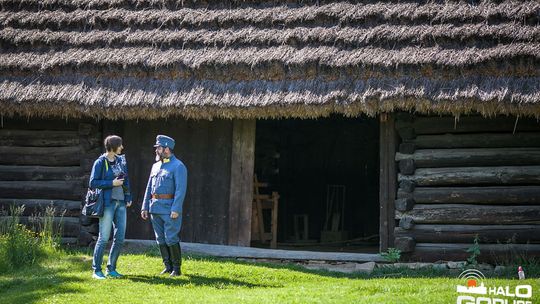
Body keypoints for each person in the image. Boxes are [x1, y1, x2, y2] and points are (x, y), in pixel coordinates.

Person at [141, 135, 188, 277]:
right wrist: (145, 206)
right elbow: (149, 187)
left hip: (169, 209)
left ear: (167, 149)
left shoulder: (178, 166)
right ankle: (167, 266)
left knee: (171, 238)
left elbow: (180, 190)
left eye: (159, 148)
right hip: (155, 208)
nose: (156, 150)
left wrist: (176, 209)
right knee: (160, 239)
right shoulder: (155, 166)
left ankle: (176, 268)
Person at [89, 135, 132, 279]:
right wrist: (111, 183)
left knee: (119, 238)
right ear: (113, 146)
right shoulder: (100, 162)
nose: (122, 147)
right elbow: (93, 183)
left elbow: (126, 180)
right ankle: (96, 270)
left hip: (121, 204)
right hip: (107, 204)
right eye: (120, 145)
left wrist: (128, 197)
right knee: (104, 238)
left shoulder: (121, 161)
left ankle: (111, 269)